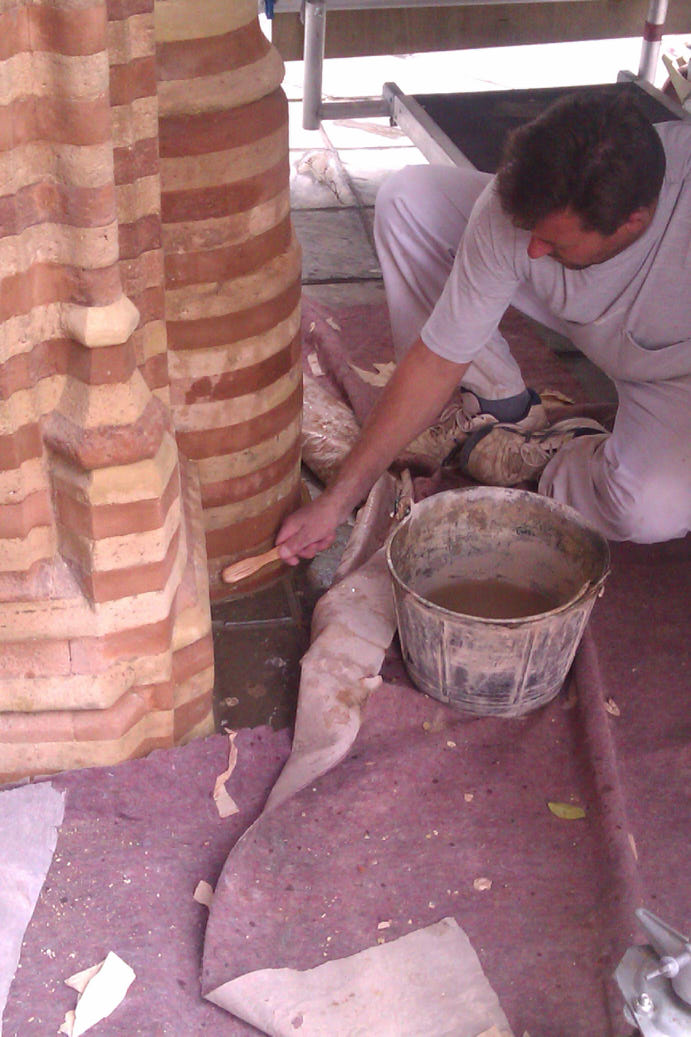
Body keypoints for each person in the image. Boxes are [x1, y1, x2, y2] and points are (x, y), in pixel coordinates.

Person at [277, 88, 691, 565]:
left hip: (668, 372)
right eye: (530, 233)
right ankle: (496, 411)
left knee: (646, 509)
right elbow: (436, 360)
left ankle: (560, 457)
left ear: (632, 222)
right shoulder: (527, 210)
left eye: (551, 241)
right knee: (409, 200)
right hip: (588, 309)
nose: (532, 251)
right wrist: (336, 502)